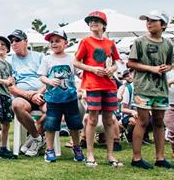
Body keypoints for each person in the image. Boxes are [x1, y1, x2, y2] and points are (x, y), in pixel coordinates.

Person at [126, 10, 174, 170]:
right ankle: (136, 158)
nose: (149, 23)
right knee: (142, 121)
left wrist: (165, 68)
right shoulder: (139, 41)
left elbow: (170, 64)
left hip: (161, 89)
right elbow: (130, 63)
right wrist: (151, 68)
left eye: (153, 20)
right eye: (147, 20)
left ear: (163, 25)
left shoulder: (168, 44)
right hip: (143, 87)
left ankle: (160, 158)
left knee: (159, 122)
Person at [73, 10, 121, 167]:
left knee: (109, 119)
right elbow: (76, 62)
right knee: (92, 119)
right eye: (90, 21)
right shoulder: (85, 41)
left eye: (96, 20)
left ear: (104, 25)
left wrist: (112, 70)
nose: (93, 23)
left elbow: (116, 62)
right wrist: (92, 69)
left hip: (109, 85)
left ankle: (110, 155)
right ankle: (90, 154)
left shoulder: (110, 43)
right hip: (92, 84)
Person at [38, 29, 85, 163]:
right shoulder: (47, 59)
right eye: (51, 41)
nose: (54, 43)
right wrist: (49, 81)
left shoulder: (71, 58)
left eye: (57, 41)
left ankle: (77, 148)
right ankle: (49, 149)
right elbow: (41, 76)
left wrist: (86, 75)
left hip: (70, 98)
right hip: (53, 99)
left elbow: (79, 73)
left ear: (66, 43)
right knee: (51, 125)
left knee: (75, 125)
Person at [6, 29, 46, 157]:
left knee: (55, 108)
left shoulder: (39, 56)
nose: (14, 43)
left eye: (17, 40)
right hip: (23, 97)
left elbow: (47, 79)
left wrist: (38, 93)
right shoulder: (9, 60)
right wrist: (30, 95)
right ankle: (37, 137)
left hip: (42, 95)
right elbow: (11, 87)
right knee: (16, 104)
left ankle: (34, 137)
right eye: (11, 41)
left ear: (26, 42)